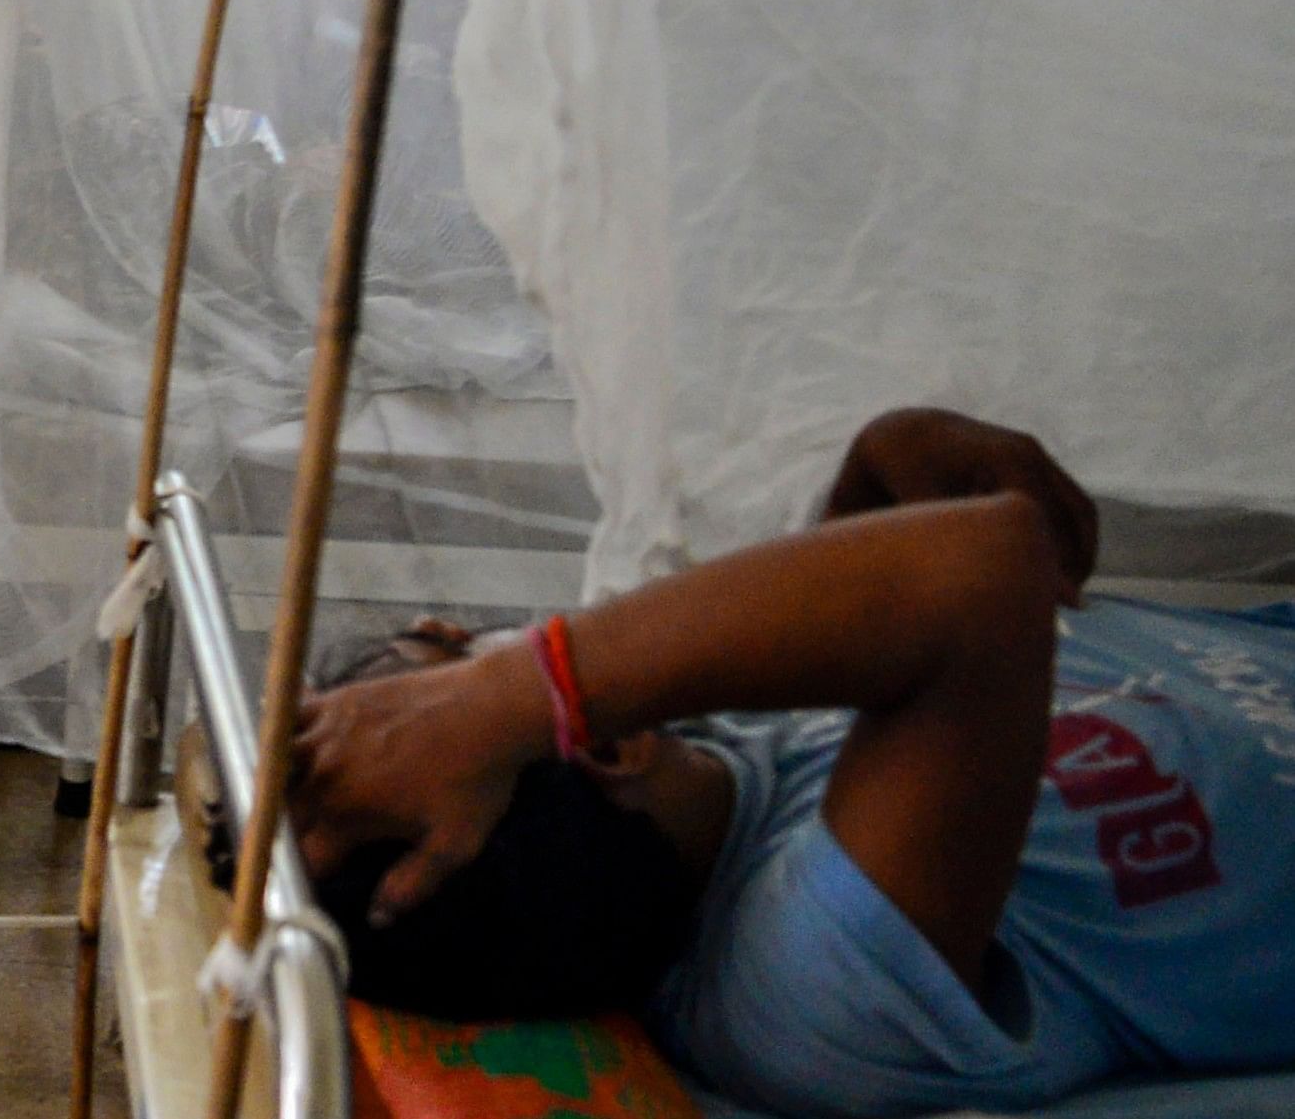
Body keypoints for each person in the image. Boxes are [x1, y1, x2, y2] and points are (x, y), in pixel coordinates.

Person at [295, 406, 1295, 1115]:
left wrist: (885, 463)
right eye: (458, 665)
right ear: (603, 744)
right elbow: (977, 569)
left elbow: (871, 614)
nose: (456, 622)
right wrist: (520, 692)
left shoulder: (720, 758)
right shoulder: (807, 987)